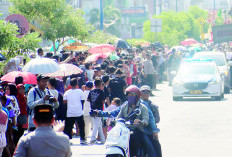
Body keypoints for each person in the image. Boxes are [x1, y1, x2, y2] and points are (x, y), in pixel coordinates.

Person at [117, 85, 155, 157]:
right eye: (129, 95)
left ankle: (136, 155)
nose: (130, 97)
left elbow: (146, 120)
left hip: (138, 130)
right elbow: (118, 117)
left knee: (148, 146)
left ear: (137, 96)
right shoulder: (124, 106)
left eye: (132, 95)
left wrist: (140, 122)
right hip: (124, 130)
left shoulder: (143, 107)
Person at [140, 85, 162, 157]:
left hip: (150, 130)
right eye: (144, 92)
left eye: (147, 92)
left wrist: (148, 121)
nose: (145, 94)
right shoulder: (137, 104)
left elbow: (157, 119)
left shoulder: (153, 106)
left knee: (156, 146)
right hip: (139, 128)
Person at [63, 78, 86, 144]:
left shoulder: (67, 92)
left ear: (70, 84)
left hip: (70, 112)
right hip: (79, 111)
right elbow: (82, 100)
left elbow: (64, 101)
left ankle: (68, 139)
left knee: (68, 127)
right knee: (81, 126)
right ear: (77, 84)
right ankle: (82, 139)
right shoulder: (80, 91)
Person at [88, 78, 105, 144]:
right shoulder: (101, 92)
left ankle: (103, 139)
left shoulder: (91, 91)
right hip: (99, 109)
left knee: (99, 124)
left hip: (92, 108)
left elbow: (88, 100)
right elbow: (103, 101)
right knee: (97, 124)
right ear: (100, 84)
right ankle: (93, 138)